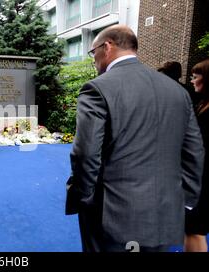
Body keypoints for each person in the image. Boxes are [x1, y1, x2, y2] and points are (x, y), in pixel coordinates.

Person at [67, 25, 204, 252]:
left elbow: (86, 153)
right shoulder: (177, 91)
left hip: (111, 214)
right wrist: (186, 201)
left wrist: (85, 197)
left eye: (93, 52)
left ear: (107, 47)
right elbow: (194, 152)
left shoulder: (97, 88)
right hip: (166, 211)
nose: (93, 59)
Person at [185, 58, 209, 252]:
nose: (192, 81)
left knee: (194, 229)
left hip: (202, 179)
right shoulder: (202, 105)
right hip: (199, 176)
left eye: (195, 77)